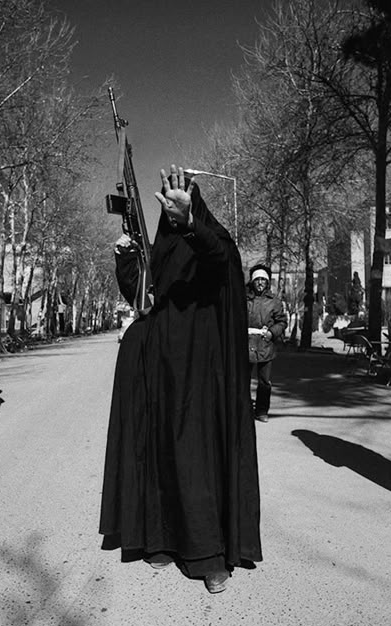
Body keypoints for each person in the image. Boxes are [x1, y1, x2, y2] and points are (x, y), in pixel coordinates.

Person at [99, 165, 262, 594]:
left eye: (181, 205)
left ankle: (209, 556)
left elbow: (217, 258)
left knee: (197, 458)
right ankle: (161, 539)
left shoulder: (215, 241)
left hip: (203, 375)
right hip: (162, 371)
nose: (171, 214)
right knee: (162, 453)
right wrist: (126, 258)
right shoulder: (163, 252)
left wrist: (190, 222)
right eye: (169, 209)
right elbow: (144, 294)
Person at [247, 264, 287, 423]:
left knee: (264, 381)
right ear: (252, 281)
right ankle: (244, 408)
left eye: (263, 279)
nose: (260, 282)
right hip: (246, 344)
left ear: (268, 282)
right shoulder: (243, 299)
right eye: (257, 279)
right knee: (244, 379)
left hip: (265, 344)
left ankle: (262, 410)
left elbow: (282, 322)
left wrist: (272, 333)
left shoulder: (274, 302)